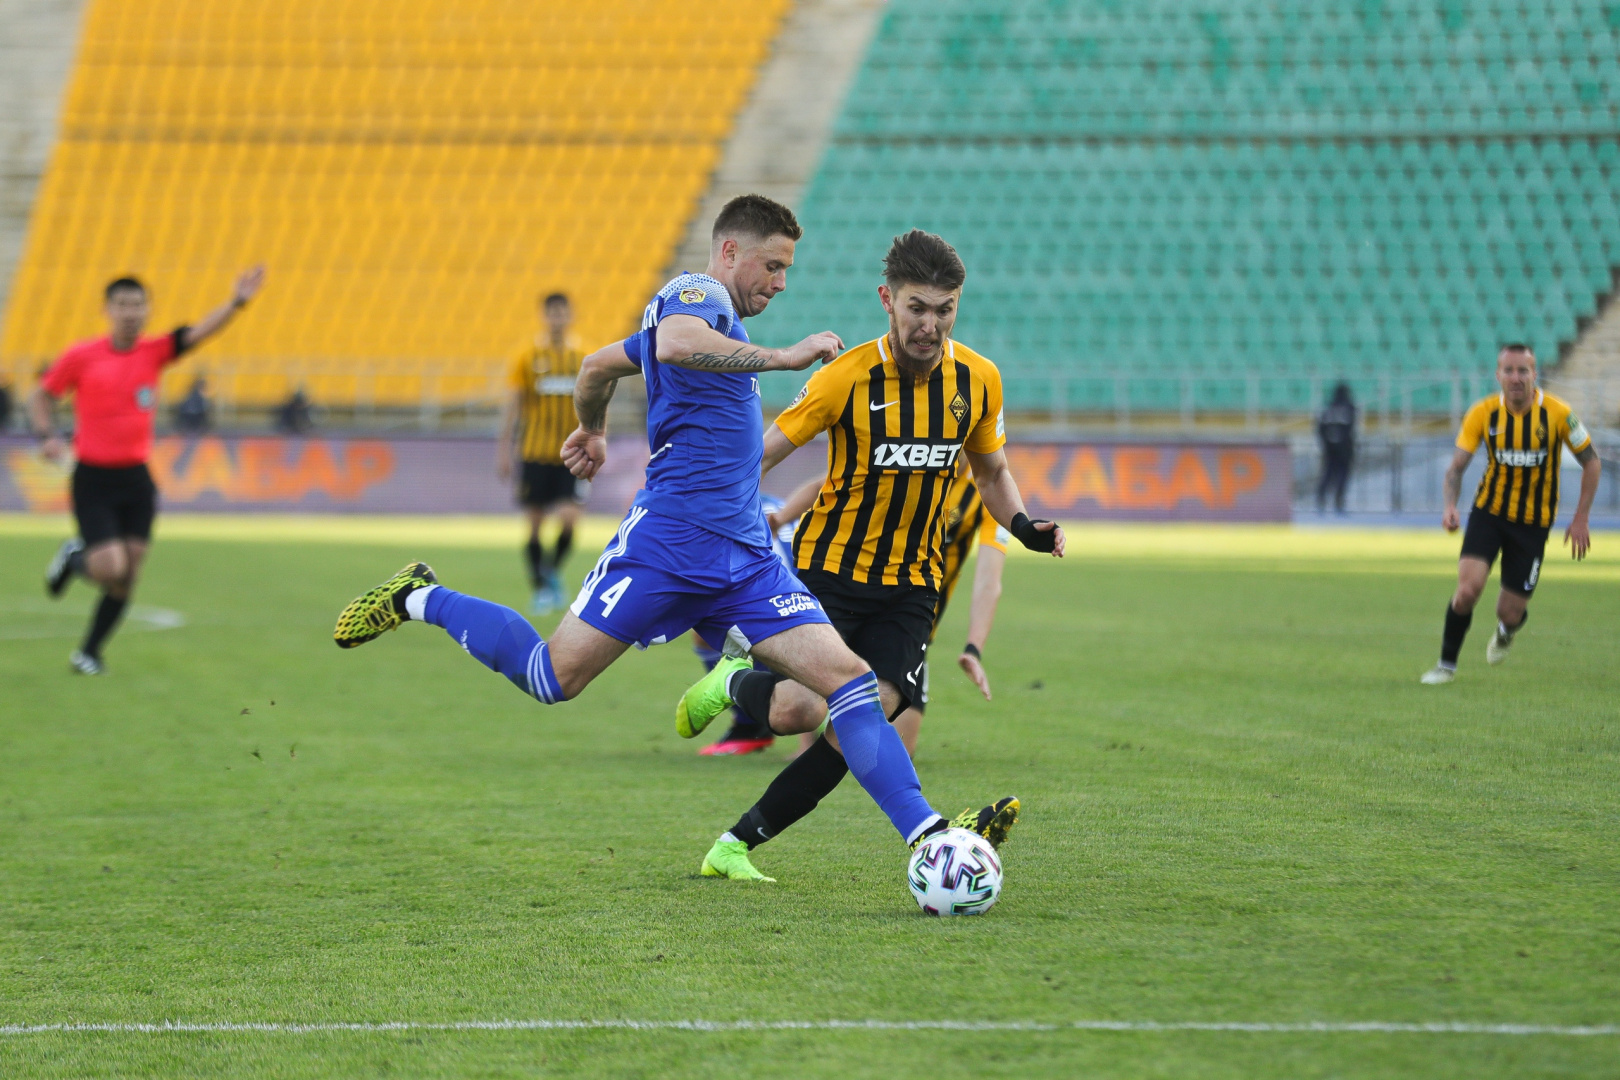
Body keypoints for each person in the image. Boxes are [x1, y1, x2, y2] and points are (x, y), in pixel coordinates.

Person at [332, 196, 1016, 864]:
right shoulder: (696, 294)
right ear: (730, 251)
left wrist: (592, 430)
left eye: (786, 269)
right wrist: (784, 357)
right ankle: (419, 596)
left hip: (745, 557)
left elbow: (597, 367)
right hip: (668, 546)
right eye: (773, 266)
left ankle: (928, 836)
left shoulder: (722, 325)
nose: (780, 282)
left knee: (852, 683)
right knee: (550, 677)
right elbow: (678, 342)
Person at [671, 229, 1066, 883]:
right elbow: (761, 455)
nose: (930, 325)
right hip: (828, 573)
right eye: (917, 308)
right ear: (887, 300)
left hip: (912, 586)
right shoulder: (845, 378)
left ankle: (734, 844)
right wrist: (705, 517)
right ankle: (731, 684)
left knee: (862, 716)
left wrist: (1022, 525)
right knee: (800, 710)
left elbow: (992, 472)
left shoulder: (978, 380)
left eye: (944, 310)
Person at [34, 267, 267, 674]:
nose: (130, 312)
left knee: (128, 575)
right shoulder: (81, 355)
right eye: (122, 304)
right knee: (110, 568)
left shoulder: (154, 351)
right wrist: (46, 435)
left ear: (147, 310)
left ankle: (88, 653)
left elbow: (199, 332)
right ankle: (75, 557)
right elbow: (42, 395)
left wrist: (236, 302)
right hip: (94, 477)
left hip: (136, 479)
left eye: (138, 304)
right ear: (108, 310)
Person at [1420, 344, 1601, 684]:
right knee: (1467, 591)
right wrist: (1449, 507)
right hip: (1489, 514)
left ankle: (1507, 630)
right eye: (1509, 370)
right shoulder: (1483, 412)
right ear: (1498, 375)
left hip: (1533, 524)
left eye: (1523, 370)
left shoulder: (1560, 414)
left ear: (1535, 374)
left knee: (1509, 611)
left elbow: (1592, 462)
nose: (1516, 378)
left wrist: (1581, 517)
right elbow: (1455, 468)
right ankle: (1445, 665)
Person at [498, 292, 586, 614]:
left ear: (570, 315)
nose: (557, 319)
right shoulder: (527, 356)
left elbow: (596, 401)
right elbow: (514, 406)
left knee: (569, 520)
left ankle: (549, 575)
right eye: (552, 313)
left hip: (571, 455)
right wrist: (504, 450)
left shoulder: (582, 356)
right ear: (544, 316)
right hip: (534, 453)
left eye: (562, 313)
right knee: (535, 525)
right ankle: (540, 588)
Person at [694, 492, 798, 756]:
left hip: (800, 596)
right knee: (706, 628)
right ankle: (752, 722)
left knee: (715, 621)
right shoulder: (765, 500)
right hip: (809, 587)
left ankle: (755, 722)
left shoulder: (722, 509)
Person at [1316, 382, 1356, 514]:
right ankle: (1338, 502)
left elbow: (1320, 428)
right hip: (1344, 449)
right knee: (1342, 474)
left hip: (1329, 448)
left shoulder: (1328, 407)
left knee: (1328, 472)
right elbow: (1351, 428)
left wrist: (1326, 442)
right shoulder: (1349, 407)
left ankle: (1321, 499)